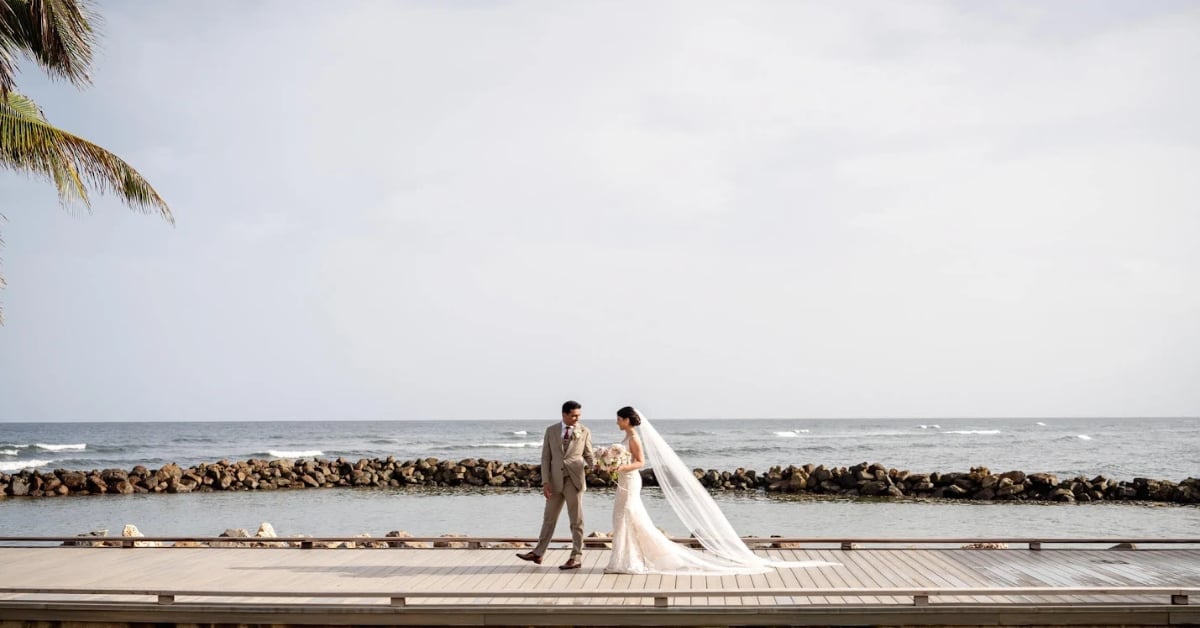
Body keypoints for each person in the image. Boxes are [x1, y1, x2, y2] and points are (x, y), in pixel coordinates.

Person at [604, 406, 838, 575]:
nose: (616, 422)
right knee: (624, 518)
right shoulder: (626, 437)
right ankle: (626, 558)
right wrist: (612, 464)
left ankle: (634, 559)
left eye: (618, 419)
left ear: (627, 420)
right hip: (624, 481)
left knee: (630, 517)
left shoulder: (634, 437)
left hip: (631, 479)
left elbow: (641, 462)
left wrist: (619, 465)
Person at [516, 400, 595, 570]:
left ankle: (576, 557)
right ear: (564, 414)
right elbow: (545, 458)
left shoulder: (585, 431)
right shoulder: (551, 431)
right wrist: (545, 481)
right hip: (554, 481)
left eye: (578, 416)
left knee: (576, 521)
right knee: (549, 518)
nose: (576, 418)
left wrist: (602, 464)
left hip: (574, 481)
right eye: (573, 415)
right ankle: (538, 553)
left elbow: (589, 455)